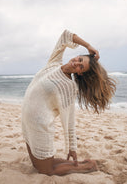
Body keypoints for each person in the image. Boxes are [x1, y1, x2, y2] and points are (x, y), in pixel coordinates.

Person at [22, 30, 116, 176]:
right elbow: (66, 35)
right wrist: (88, 46)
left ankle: (87, 167)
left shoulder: (69, 86)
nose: (76, 63)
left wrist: (72, 147)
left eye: (81, 66)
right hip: (27, 121)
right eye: (79, 59)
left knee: (46, 170)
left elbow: (70, 118)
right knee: (37, 164)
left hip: (41, 126)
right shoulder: (54, 62)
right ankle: (84, 163)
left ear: (80, 73)